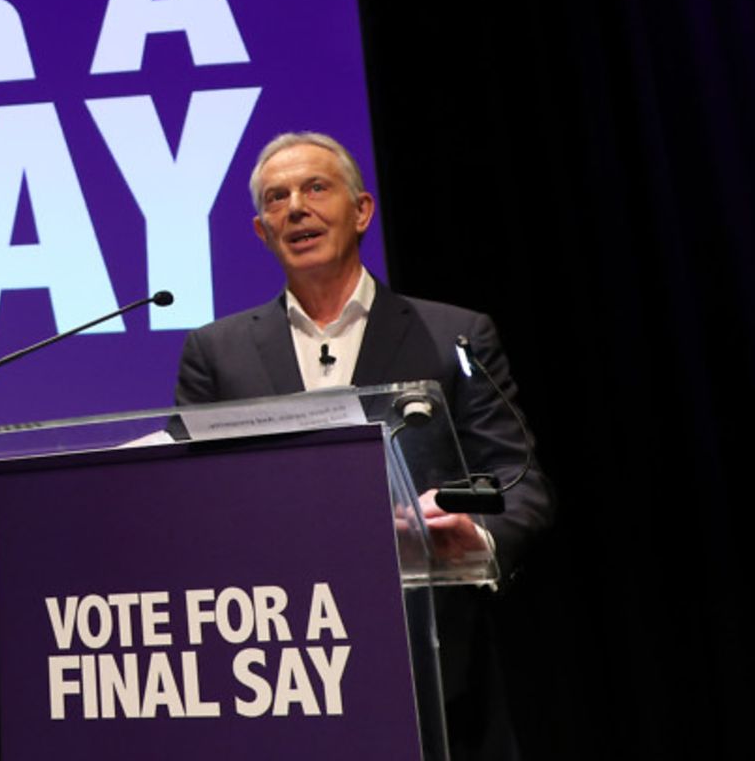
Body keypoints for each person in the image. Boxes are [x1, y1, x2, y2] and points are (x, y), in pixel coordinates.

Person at [174, 131, 552, 760]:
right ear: (263, 231)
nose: (296, 207)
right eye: (277, 198)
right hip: (274, 660)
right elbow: (188, 496)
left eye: (316, 187)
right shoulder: (218, 352)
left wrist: (473, 537)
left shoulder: (454, 334)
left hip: (427, 657)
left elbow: (519, 481)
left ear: (362, 210)